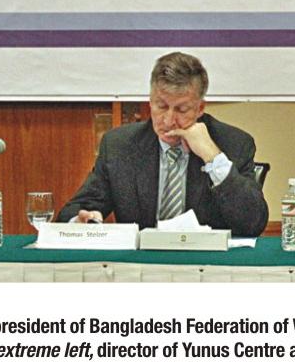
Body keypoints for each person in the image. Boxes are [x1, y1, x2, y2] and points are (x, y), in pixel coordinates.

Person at [58, 52, 268, 236]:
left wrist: (213, 157)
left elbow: (253, 224)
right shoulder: (119, 146)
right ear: (150, 102)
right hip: (141, 264)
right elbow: (75, 211)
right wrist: (81, 221)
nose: (168, 120)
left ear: (200, 108)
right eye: (161, 106)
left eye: (182, 110)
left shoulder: (233, 144)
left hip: (206, 263)